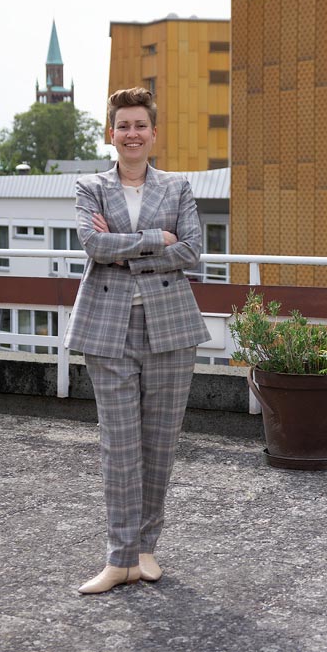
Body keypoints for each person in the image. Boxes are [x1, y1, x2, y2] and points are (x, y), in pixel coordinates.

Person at [64, 87, 211, 594]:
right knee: (119, 445)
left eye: (140, 126)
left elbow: (193, 250)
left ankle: (146, 550)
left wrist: (125, 249)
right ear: (111, 133)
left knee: (160, 443)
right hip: (107, 328)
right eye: (122, 126)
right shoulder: (91, 186)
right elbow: (93, 244)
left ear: (154, 133)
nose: (131, 134)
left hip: (171, 327)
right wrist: (155, 239)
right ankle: (119, 557)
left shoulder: (178, 188)